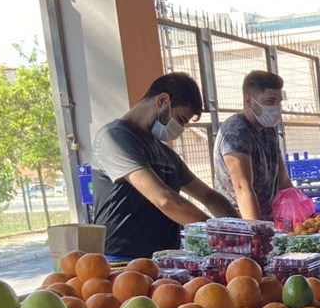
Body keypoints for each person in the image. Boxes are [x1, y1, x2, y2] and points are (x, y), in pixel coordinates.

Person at [91, 73, 238, 259]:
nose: (180, 129)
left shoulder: (165, 154)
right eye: (181, 119)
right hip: (123, 262)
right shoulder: (114, 138)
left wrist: (241, 231)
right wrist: (222, 235)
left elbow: (209, 197)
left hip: (166, 261)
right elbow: (164, 200)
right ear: (162, 100)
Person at [213, 70, 293, 220]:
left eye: (278, 102)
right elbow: (242, 187)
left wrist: (305, 216)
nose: (276, 107)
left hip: (268, 221)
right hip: (238, 225)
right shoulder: (235, 132)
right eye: (270, 101)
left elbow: (283, 181)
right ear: (248, 101)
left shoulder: (269, 130)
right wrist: (257, 234)